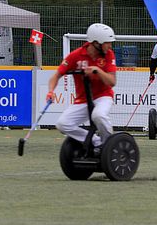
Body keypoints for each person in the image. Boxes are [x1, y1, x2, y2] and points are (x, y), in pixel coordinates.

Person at [46, 23, 117, 151]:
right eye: (107, 42)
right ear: (96, 42)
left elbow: (112, 82)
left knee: (98, 115)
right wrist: (51, 91)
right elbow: (56, 76)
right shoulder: (76, 56)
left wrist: (97, 70)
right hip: (83, 99)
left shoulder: (109, 54)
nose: (110, 46)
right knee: (63, 124)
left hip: (103, 96)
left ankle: (108, 145)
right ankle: (96, 142)